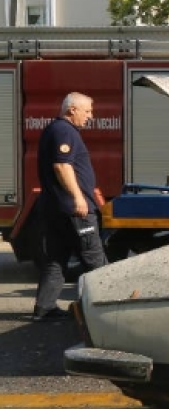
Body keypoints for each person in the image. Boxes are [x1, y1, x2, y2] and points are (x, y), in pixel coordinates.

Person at [32, 92, 108, 321]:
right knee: (95, 260)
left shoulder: (55, 129)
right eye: (87, 111)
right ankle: (108, 311)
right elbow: (62, 166)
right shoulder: (65, 131)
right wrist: (78, 198)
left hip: (56, 209)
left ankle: (44, 308)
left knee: (56, 260)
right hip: (74, 210)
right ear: (72, 109)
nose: (91, 116)